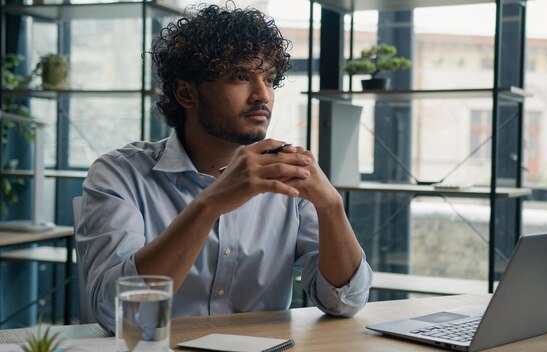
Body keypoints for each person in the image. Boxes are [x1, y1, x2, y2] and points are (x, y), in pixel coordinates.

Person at [75, 2, 373, 332]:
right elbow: (118, 313)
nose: (262, 95)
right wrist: (212, 202)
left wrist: (330, 205)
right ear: (187, 93)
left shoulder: (288, 175)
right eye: (241, 77)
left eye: (270, 79)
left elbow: (344, 301)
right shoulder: (119, 175)